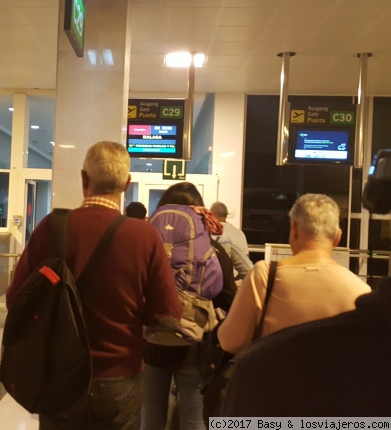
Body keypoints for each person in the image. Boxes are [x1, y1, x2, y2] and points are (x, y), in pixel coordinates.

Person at [6, 141, 182, 430]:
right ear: (127, 183)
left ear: (84, 179)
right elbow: (166, 313)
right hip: (119, 378)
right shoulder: (144, 236)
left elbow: (17, 300)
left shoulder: (52, 226)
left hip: (59, 376)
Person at [217, 193, 371, 355]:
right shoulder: (361, 291)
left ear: (294, 229)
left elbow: (230, 341)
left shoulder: (264, 275)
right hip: (334, 380)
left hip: (272, 377)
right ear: (337, 237)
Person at [218, 278, 390, 416]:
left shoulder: (261, 364)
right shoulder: (356, 284)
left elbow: (229, 340)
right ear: (336, 240)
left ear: (294, 234)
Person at [142, 182, 235, 430]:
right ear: (199, 212)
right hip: (195, 347)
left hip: (153, 341)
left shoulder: (146, 246)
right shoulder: (214, 251)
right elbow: (228, 297)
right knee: (194, 421)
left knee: (150, 420)